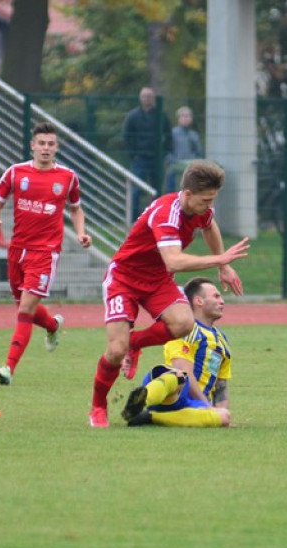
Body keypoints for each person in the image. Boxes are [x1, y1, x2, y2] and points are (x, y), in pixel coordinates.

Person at [88, 160, 249, 428]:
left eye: (213, 200)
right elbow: (174, 261)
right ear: (187, 194)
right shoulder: (167, 213)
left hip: (157, 279)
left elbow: (209, 226)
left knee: (184, 323)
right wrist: (219, 258)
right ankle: (98, 407)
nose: (209, 206)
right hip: (124, 278)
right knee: (116, 351)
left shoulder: (199, 210)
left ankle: (135, 342)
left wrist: (224, 266)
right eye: (206, 200)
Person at [0, 122, 92, 386]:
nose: (46, 148)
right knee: (25, 308)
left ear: (56, 148)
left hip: (45, 252)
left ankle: (9, 367)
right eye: (41, 143)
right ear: (32, 145)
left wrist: (81, 232)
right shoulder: (15, 173)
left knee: (25, 309)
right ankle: (53, 326)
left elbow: (76, 208)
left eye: (51, 144)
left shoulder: (67, 177)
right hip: (17, 249)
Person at [120, 277, 231, 428]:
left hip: (194, 405)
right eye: (216, 296)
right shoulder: (183, 329)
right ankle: (141, 401)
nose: (222, 301)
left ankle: (151, 417)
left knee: (224, 417)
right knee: (178, 376)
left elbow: (221, 385)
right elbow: (182, 369)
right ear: (199, 301)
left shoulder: (222, 341)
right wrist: (207, 405)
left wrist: (220, 412)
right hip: (170, 393)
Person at [123, 86, 172, 221]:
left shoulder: (161, 115)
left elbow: (168, 135)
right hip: (139, 159)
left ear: (153, 98)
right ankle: (133, 220)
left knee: (157, 190)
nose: (147, 99)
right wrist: (133, 154)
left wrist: (165, 153)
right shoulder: (133, 116)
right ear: (140, 98)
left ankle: (156, 219)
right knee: (136, 191)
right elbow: (127, 136)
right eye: (144, 96)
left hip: (156, 160)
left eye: (149, 96)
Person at [165, 105, 202, 192]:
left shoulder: (194, 135)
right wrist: (174, 162)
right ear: (178, 118)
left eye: (188, 116)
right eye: (184, 116)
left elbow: (199, 152)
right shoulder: (172, 134)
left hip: (190, 169)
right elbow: (167, 151)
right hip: (175, 168)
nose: (186, 119)